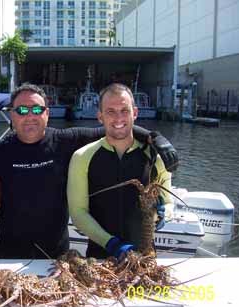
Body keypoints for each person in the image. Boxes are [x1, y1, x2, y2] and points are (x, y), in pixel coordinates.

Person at [0, 83, 178, 259]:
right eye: (22, 110)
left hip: (57, 256)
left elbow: (117, 128)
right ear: (11, 115)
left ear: (47, 113)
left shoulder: (67, 141)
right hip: (10, 255)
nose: (30, 116)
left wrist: (156, 139)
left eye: (37, 109)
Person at [67, 83, 173, 259]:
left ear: (135, 113)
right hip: (100, 255)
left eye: (125, 110)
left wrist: (163, 213)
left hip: (146, 255)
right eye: (110, 111)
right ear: (100, 116)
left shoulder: (156, 157)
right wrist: (112, 244)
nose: (118, 118)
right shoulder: (82, 157)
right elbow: (78, 212)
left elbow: (168, 202)